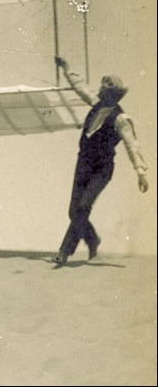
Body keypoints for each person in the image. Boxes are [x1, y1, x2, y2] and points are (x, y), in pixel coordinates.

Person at [52, 57, 149, 267]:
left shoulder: (121, 119)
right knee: (73, 210)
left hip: (102, 168)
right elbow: (79, 87)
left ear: (113, 96)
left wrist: (140, 171)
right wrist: (67, 67)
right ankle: (93, 240)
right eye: (101, 91)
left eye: (105, 92)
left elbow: (132, 145)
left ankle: (64, 251)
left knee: (83, 205)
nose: (100, 94)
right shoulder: (96, 102)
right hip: (83, 163)